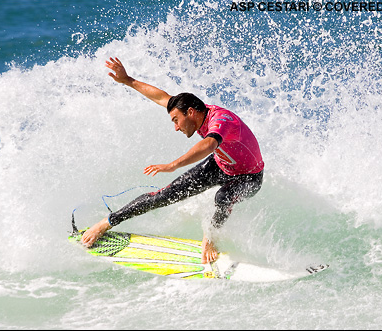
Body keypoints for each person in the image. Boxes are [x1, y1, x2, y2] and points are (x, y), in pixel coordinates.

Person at [81, 57, 265, 264]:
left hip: (249, 177)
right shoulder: (195, 112)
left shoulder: (222, 121)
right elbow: (162, 97)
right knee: (162, 196)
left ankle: (211, 238)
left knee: (223, 197)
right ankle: (106, 223)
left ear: (191, 113)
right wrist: (127, 80)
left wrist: (172, 165)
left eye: (176, 120)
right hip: (221, 165)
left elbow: (209, 145)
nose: (176, 127)